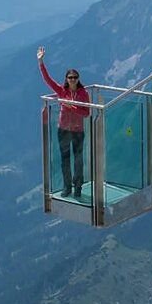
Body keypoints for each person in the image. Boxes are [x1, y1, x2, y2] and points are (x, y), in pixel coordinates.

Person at [38, 46, 91, 198]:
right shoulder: (62, 91)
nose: (72, 79)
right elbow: (47, 79)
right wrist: (41, 61)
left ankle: (78, 186)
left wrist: (71, 107)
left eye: (75, 77)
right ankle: (67, 187)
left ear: (78, 79)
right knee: (65, 160)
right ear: (67, 79)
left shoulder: (83, 94)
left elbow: (86, 113)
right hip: (63, 129)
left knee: (78, 160)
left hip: (77, 131)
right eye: (70, 77)